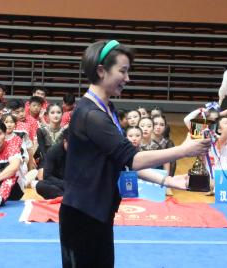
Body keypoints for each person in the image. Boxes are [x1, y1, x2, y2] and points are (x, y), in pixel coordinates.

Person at [60, 40, 210, 267]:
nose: (127, 78)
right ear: (101, 71)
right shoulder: (91, 115)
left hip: (99, 212)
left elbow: (123, 161)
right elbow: (133, 158)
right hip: (83, 215)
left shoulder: (107, 109)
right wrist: (184, 150)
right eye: (122, 71)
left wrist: (168, 180)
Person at [35, 130, 68, 200]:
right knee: (40, 185)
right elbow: (47, 176)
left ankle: (68, 197)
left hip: (75, 185)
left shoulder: (80, 151)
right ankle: (67, 197)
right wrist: (65, 184)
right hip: (60, 183)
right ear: (65, 141)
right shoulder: (53, 151)